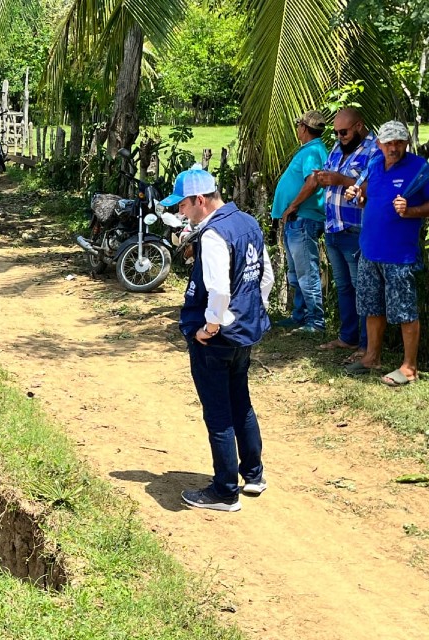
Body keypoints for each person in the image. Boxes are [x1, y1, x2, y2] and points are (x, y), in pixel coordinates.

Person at [161, 165, 275, 512]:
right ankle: (253, 475)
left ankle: (224, 491)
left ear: (200, 200)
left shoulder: (213, 235)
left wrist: (209, 328)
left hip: (216, 338)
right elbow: (266, 276)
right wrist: (251, 311)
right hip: (244, 333)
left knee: (218, 413)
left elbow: (220, 291)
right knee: (241, 402)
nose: (180, 212)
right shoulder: (248, 223)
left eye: (183, 205)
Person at [345, 121, 429, 386]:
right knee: (372, 307)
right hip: (370, 250)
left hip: (399, 254)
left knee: (404, 311)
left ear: (406, 142)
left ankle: (409, 367)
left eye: (399, 142)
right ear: (379, 144)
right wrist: (357, 194)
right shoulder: (374, 165)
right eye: (388, 143)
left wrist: (411, 210)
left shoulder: (420, 168)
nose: (393, 148)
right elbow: (368, 193)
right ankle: (372, 357)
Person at [313, 108, 379, 359]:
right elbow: (332, 173)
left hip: (356, 227)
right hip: (334, 226)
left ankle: (365, 345)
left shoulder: (374, 150)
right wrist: (322, 178)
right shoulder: (338, 148)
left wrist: (340, 180)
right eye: (336, 132)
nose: (339, 136)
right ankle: (348, 337)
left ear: (359, 126)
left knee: (361, 287)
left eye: (344, 132)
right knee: (343, 287)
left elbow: (371, 185)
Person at [271, 110, 329, 333]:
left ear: (303, 128)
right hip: (298, 220)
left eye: (298, 127)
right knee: (297, 272)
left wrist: (294, 205)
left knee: (306, 272)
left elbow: (313, 180)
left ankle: (315, 321)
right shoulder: (310, 150)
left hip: (303, 218)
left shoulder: (313, 151)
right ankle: (300, 316)